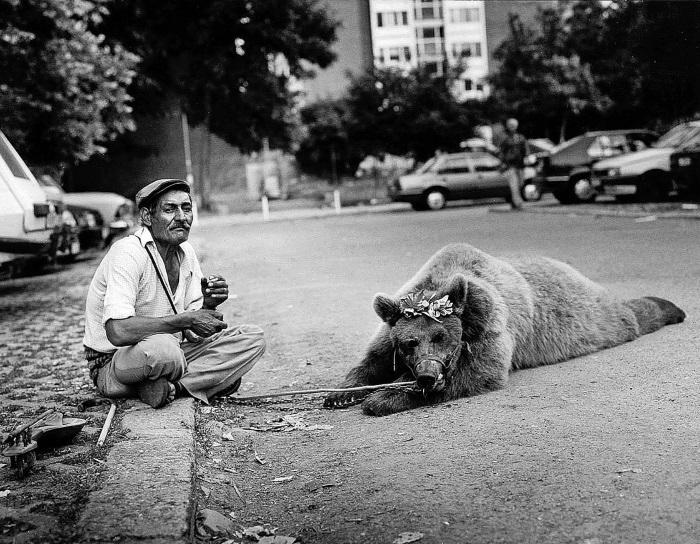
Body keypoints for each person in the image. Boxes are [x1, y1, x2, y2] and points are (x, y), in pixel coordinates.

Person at [82, 178, 266, 408]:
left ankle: (172, 388)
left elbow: (192, 333)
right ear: (148, 217)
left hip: (175, 351)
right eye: (170, 209)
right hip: (117, 363)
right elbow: (118, 331)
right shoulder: (127, 253)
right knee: (164, 351)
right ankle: (207, 379)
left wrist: (207, 307)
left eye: (186, 208)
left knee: (252, 337)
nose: (181, 217)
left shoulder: (185, 252)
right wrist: (186, 320)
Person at [498, 118, 530, 210]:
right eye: (511, 125)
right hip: (510, 166)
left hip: (520, 165)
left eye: (514, 125)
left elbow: (526, 149)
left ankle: (514, 202)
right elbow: (501, 151)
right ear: (508, 126)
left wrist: (527, 157)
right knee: (514, 185)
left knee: (520, 184)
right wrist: (503, 162)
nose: (512, 127)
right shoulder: (505, 138)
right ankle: (518, 203)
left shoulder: (520, 137)